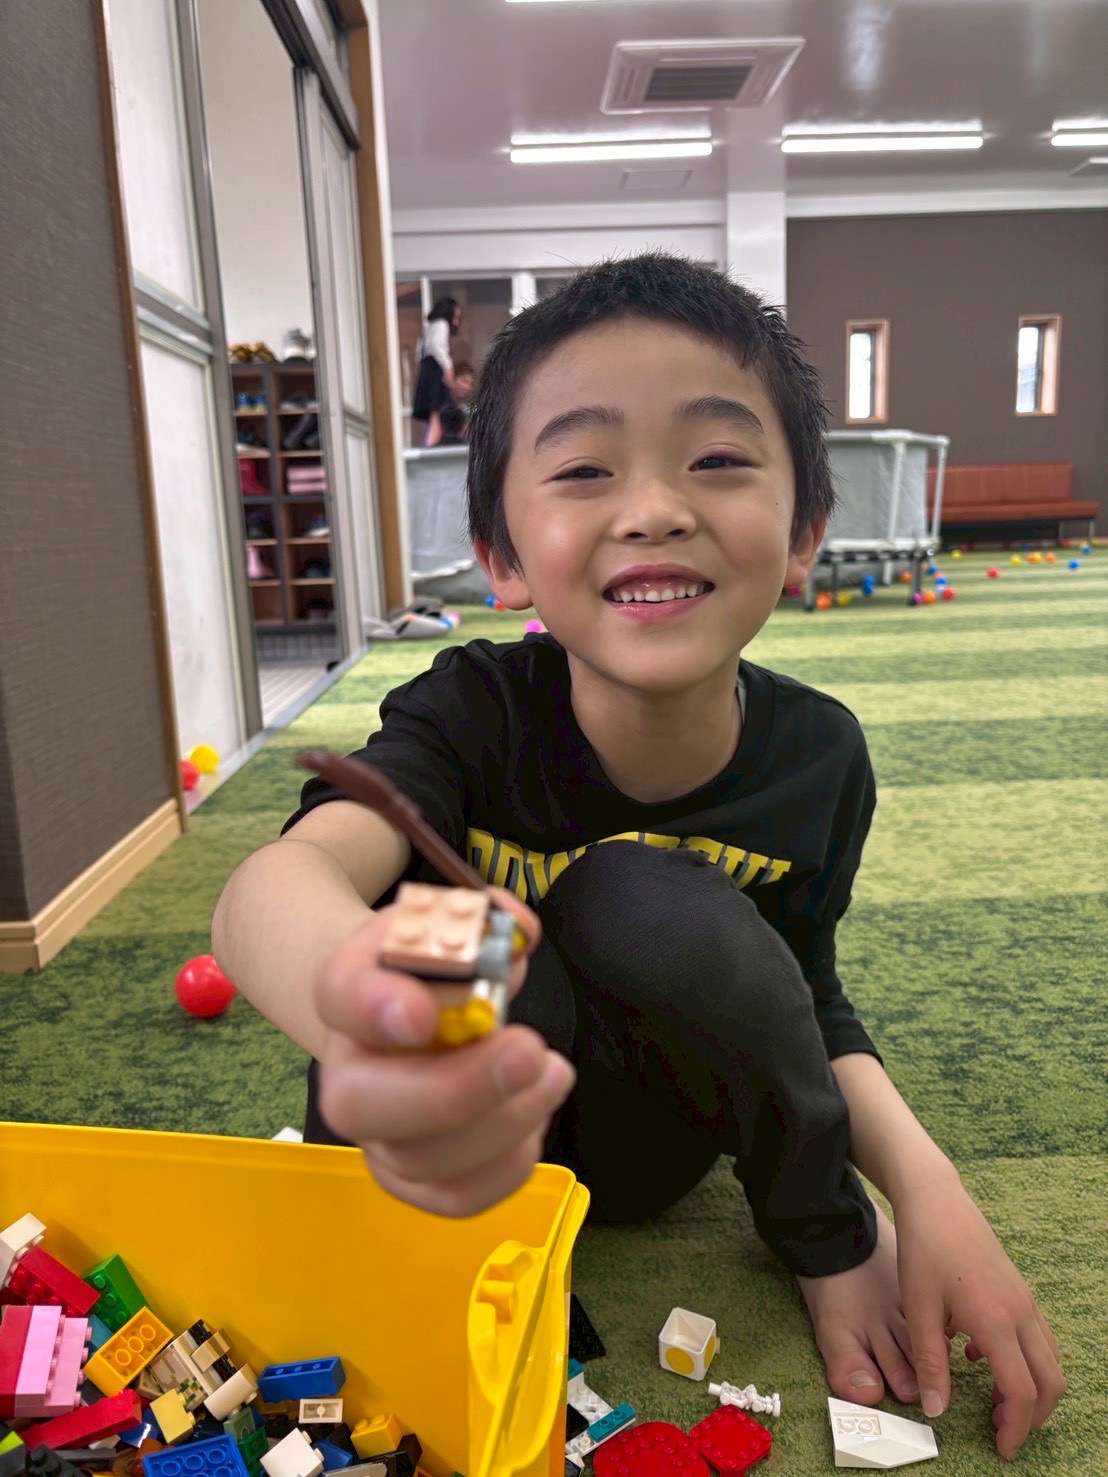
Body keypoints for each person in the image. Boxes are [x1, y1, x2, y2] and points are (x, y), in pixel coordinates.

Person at [213, 253, 1064, 1461]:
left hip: (645, 1141)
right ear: (503, 555)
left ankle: (812, 1231)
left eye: (715, 459)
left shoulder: (818, 757)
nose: (654, 507)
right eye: (582, 469)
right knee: (474, 944)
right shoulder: (468, 712)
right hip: (436, 1137)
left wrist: (917, 1191)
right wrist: (363, 1006)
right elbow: (278, 885)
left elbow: (800, 993)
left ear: (804, 532)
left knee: (637, 892)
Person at [411, 296, 461, 447]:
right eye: (455, 317)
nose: (456, 322)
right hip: (435, 370)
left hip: (427, 370)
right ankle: (431, 447)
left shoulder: (428, 327)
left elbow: (419, 351)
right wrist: (448, 367)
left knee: (434, 414)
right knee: (437, 413)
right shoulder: (442, 324)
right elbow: (436, 346)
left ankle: (429, 444)